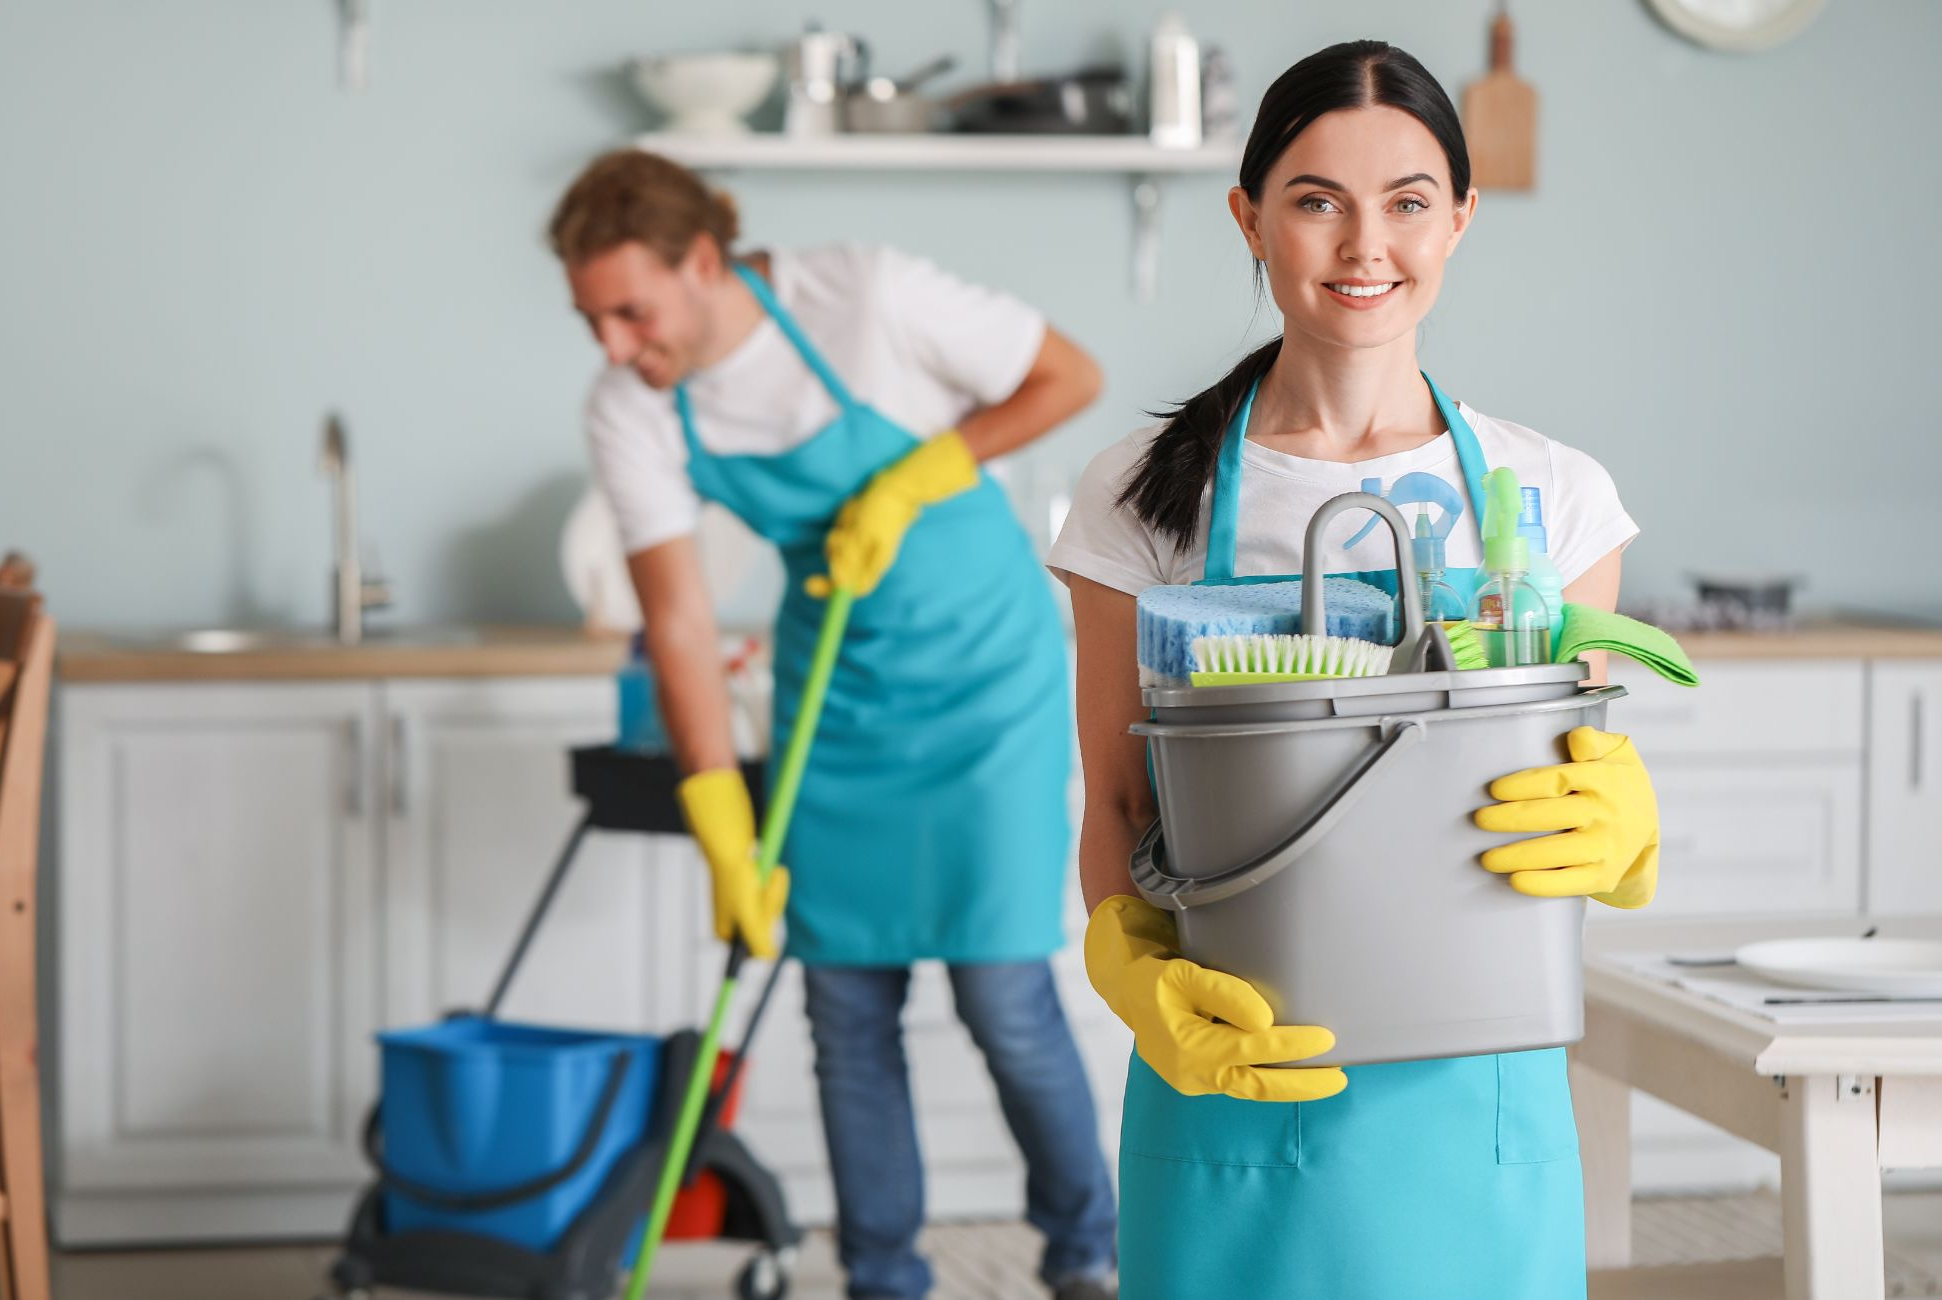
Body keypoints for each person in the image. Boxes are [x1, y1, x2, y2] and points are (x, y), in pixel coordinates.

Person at [1046, 41, 1660, 1298]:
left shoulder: (1549, 496)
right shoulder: (1142, 491)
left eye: (1408, 202)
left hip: (1475, 1100)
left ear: (1460, 220)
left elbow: (1582, 773)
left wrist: (1626, 825)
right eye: (1316, 199)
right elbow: (1115, 803)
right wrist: (1128, 965)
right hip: (1237, 1072)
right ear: (1250, 218)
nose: (1362, 243)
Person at [549, 149, 1119, 1300]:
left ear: (701, 261)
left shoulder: (855, 295)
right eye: (590, 318)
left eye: (630, 309)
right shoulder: (631, 406)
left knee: (1001, 995)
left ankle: (1087, 1253)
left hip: (983, 678)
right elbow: (675, 617)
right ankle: (881, 1276)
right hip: (837, 692)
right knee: (844, 1004)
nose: (614, 343)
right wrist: (719, 811)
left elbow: (1069, 375)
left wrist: (915, 475)